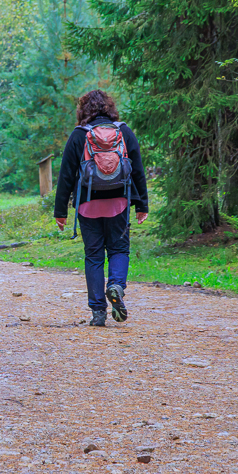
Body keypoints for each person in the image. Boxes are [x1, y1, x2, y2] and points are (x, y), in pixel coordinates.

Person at [53, 89, 149, 326]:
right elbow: (137, 169)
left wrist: (61, 212)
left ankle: (98, 312)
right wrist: (141, 205)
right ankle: (116, 284)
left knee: (94, 256)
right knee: (119, 250)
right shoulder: (123, 132)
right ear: (109, 108)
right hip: (119, 203)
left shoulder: (79, 135)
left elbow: (66, 175)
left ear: (84, 110)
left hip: (87, 205)